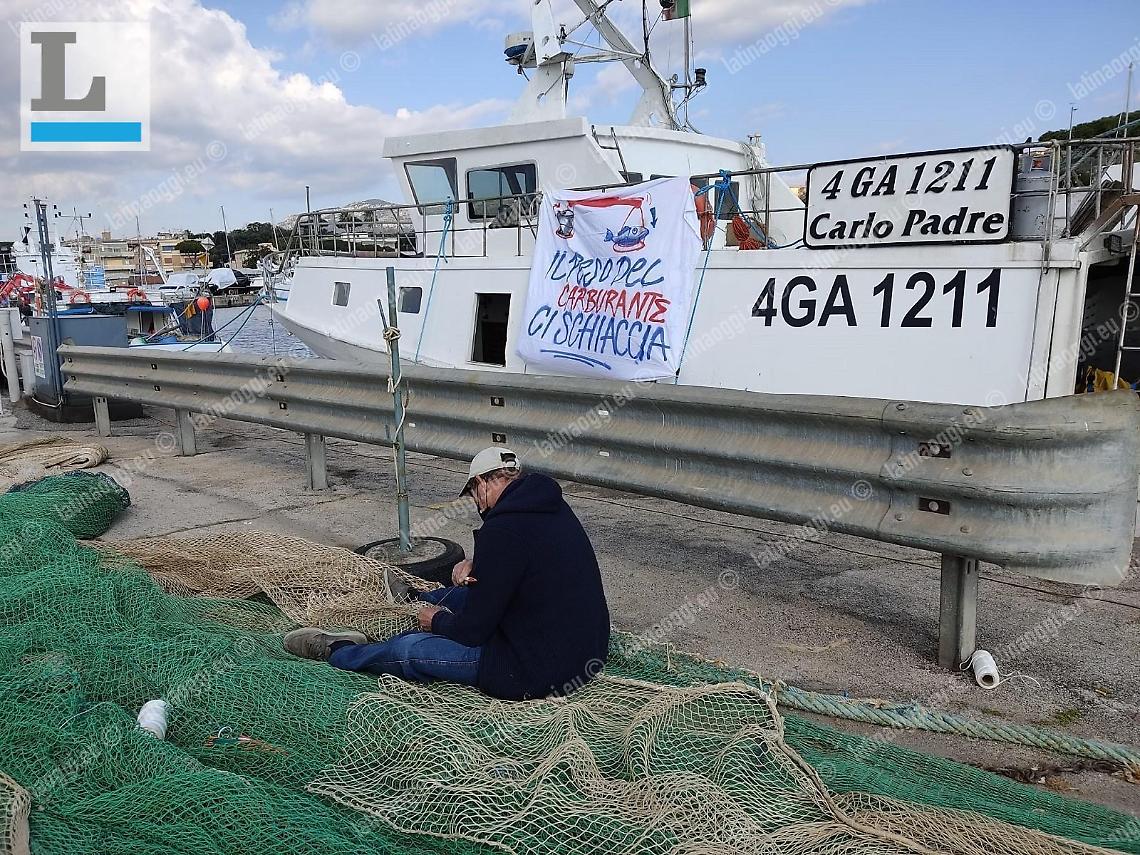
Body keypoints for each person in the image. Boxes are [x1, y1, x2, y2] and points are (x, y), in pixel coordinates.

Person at [283, 447, 611, 701]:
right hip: (587, 651)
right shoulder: (548, 505)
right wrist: (479, 563)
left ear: (481, 482)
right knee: (465, 593)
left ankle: (338, 651)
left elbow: (473, 632)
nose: (476, 504)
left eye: (472, 495)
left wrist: (436, 621)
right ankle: (413, 598)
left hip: (533, 670)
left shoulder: (503, 528)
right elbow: (525, 563)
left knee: (410, 650)